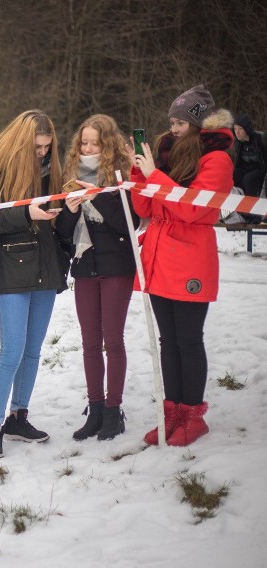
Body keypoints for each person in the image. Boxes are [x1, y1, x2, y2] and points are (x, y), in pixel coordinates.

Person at [130, 85, 234, 447]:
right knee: (168, 341)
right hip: (158, 256)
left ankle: (193, 414)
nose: (172, 129)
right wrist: (140, 175)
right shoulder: (167, 154)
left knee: (189, 340)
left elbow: (194, 209)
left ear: (196, 123)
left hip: (190, 257)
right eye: (171, 122)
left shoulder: (216, 159)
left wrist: (155, 178)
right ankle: (171, 411)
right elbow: (146, 210)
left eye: (179, 122)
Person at [0, 109, 68, 459]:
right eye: (36, 147)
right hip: (11, 264)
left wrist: (67, 206)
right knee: (11, 349)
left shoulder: (52, 167)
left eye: (47, 147)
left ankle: (18, 415)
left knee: (32, 349)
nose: (42, 153)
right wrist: (27, 213)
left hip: (47, 264)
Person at [55, 114, 136, 442]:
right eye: (84, 142)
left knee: (112, 340)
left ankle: (114, 411)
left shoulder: (121, 174)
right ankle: (96, 408)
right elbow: (62, 232)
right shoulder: (71, 174)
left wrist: (98, 195)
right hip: (84, 265)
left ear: (108, 145)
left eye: (95, 143)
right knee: (89, 342)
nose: (88, 148)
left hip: (116, 264)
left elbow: (129, 224)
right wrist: (71, 210)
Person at [232, 113, 267, 222]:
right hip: (246, 171)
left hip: (261, 172)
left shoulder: (260, 139)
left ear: (246, 129)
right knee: (234, 174)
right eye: (235, 129)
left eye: (240, 129)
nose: (236, 132)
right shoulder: (238, 143)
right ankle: (239, 210)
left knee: (249, 179)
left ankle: (255, 212)